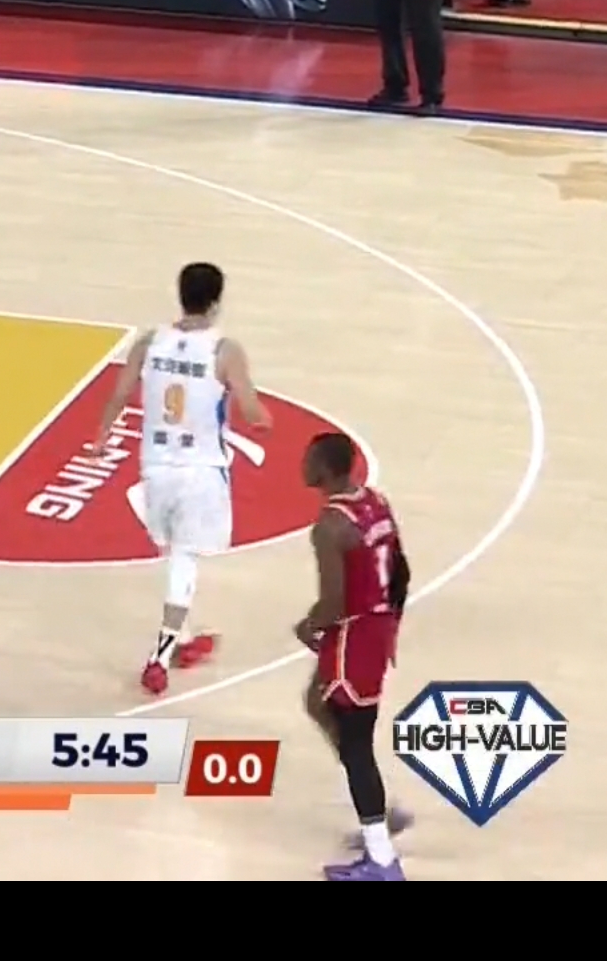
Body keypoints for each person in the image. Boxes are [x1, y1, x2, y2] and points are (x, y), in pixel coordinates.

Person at [89, 262, 268, 695]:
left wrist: (101, 435)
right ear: (217, 302)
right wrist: (263, 418)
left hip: (154, 465)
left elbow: (119, 394)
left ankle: (185, 639)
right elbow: (251, 412)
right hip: (199, 468)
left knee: (173, 550)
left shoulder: (149, 342)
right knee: (185, 555)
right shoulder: (224, 350)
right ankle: (161, 655)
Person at [296, 430, 414, 881]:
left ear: (325, 470)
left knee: (356, 743)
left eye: (309, 459)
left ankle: (382, 856)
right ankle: (377, 811)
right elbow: (401, 570)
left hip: (353, 636)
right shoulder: (375, 503)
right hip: (375, 627)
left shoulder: (330, 527)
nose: (303, 465)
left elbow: (334, 601)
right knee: (317, 702)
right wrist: (390, 622)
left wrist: (309, 626)